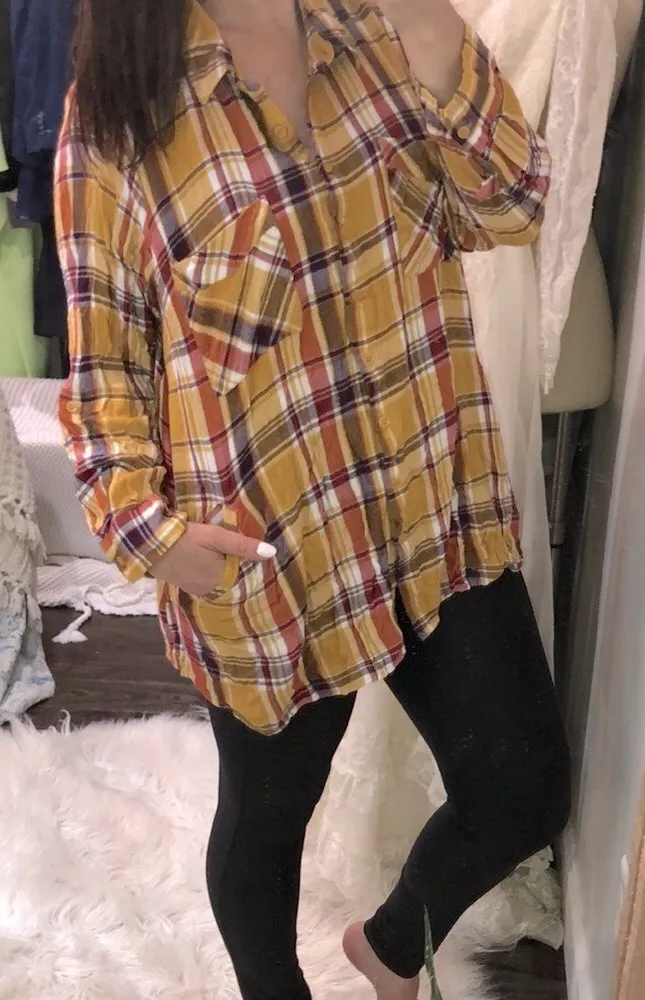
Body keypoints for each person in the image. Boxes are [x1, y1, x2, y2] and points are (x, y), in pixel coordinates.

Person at [54, 1, 571, 998]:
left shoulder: (380, 29)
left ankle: (388, 947)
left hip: (430, 510)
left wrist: (431, 29)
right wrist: (152, 534)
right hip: (271, 553)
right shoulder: (119, 109)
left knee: (522, 785)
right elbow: (105, 360)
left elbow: (510, 207)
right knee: (265, 828)